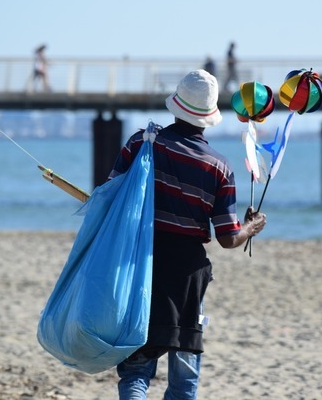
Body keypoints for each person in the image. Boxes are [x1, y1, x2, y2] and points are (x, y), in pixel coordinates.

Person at [108, 69, 267, 399]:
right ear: (209, 117)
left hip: (140, 268)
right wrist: (249, 227)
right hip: (187, 278)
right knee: (184, 381)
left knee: (136, 370)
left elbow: (110, 196)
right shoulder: (218, 166)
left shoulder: (140, 143)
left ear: (176, 106)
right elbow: (227, 238)